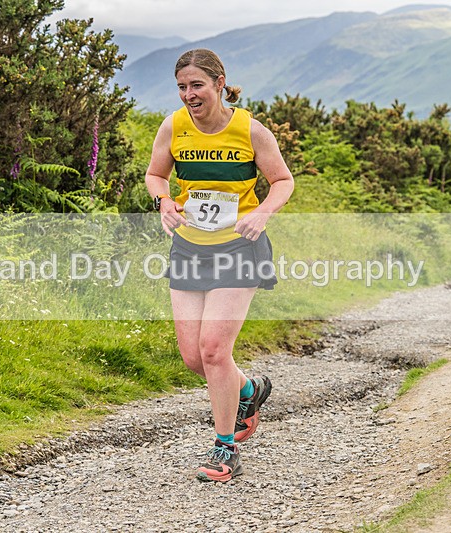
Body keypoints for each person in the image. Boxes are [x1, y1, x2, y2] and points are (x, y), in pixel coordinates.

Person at [144, 49, 294, 482]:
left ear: (219, 83)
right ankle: (250, 389)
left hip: (238, 248)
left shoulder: (250, 130)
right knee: (194, 358)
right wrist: (164, 200)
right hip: (190, 247)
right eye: (182, 87)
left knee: (214, 349)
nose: (189, 95)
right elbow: (156, 175)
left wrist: (262, 212)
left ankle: (224, 449)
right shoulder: (174, 126)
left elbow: (283, 181)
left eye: (197, 85)